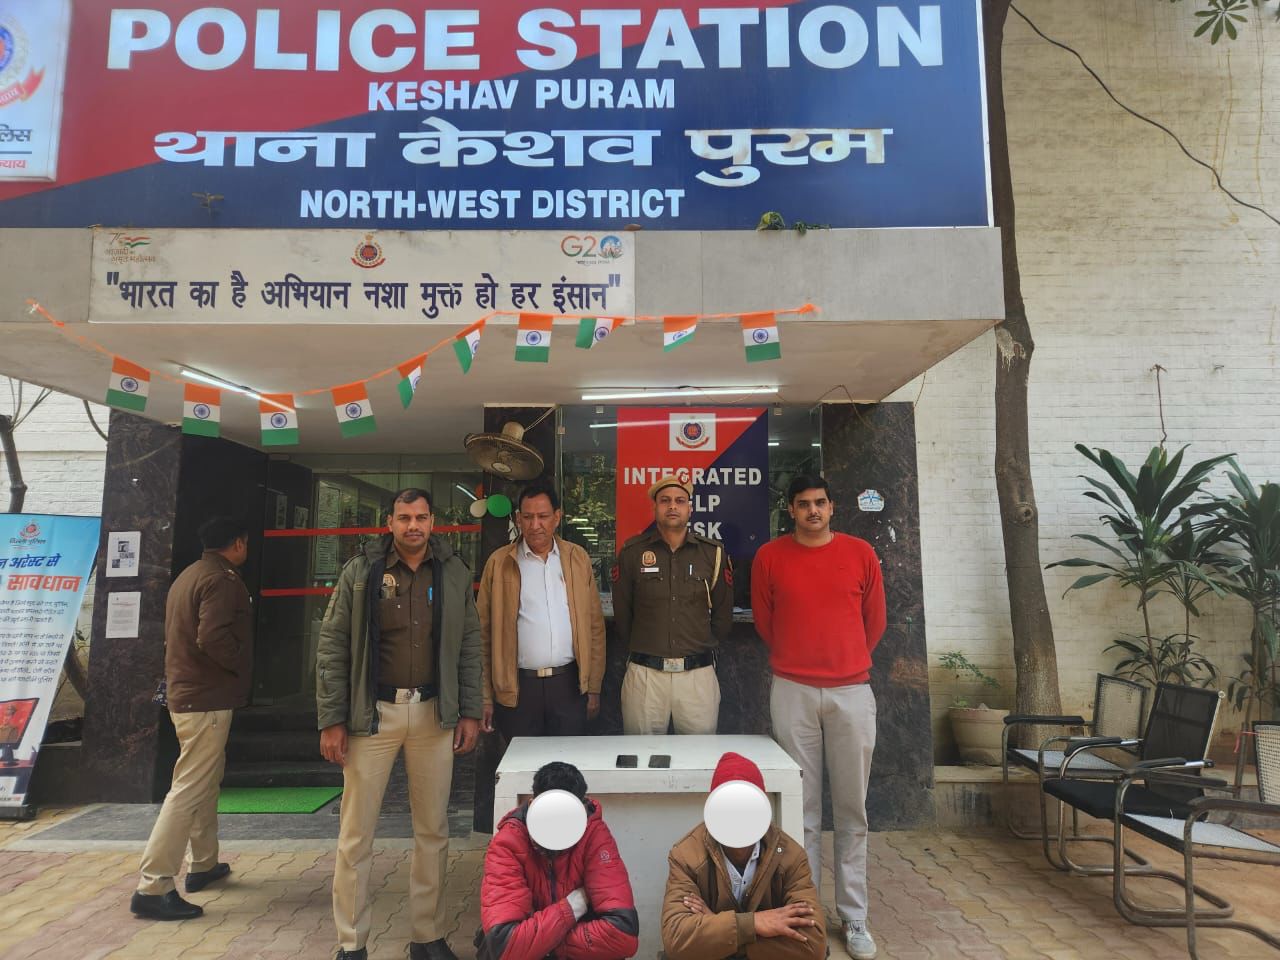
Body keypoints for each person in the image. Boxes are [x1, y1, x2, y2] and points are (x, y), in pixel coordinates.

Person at [317, 488, 483, 960]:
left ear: (433, 522)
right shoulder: (361, 571)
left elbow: (470, 645)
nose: (414, 526)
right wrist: (332, 719)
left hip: (433, 715)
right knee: (356, 834)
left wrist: (470, 710)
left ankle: (428, 937)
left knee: (433, 831)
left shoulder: (453, 572)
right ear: (389, 522)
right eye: (405, 517)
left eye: (421, 517)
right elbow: (333, 644)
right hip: (372, 717)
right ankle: (351, 942)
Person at [751, 476, 886, 960]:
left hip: (852, 691)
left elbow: (875, 621)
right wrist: (801, 659)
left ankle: (854, 915)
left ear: (832, 507)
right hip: (793, 689)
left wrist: (844, 661)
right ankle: (805, 911)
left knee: (852, 809)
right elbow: (766, 621)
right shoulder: (770, 557)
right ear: (791, 510)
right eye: (804, 504)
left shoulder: (860, 553)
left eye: (821, 503)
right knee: (800, 808)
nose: (813, 511)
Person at [130, 516, 252, 921]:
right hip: (206, 698)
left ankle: (203, 863)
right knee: (189, 787)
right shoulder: (221, 579)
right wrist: (239, 665)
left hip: (188, 695)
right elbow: (212, 636)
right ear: (238, 543)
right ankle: (154, 884)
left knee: (205, 780)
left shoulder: (189, 574)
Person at [661, 752, 825, 960]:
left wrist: (717, 930)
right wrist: (754, 924)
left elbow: (813, 943)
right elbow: (676, 939)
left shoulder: (791, 856)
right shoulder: (686, 855)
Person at [477, 478, 606, 739]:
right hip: (517, 688)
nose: (535, 525)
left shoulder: (577, 558)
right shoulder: (500, 563)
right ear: (518, 519)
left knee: (567, 759)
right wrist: (485, 697)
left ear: (557, 517)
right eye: (528, 517)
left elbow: (594, 627)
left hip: (569, 686)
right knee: (521, 760)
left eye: (543, 516)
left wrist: (593, 686)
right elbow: (482, 634)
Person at [478, 761, 639, 960]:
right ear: (532, 804)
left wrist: (539, 944)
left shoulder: (595, 835)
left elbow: (623, 935)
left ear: (583, 808)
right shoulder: (508, 843)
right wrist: (574, 905)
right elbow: (504, 944)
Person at [612, 476, 732, 735]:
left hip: (697, 676)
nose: (673, 506)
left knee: (698, 754)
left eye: (680, 501)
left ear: (690, 508)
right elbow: (623, 614)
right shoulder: (632, 553)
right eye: (665, 501)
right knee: (642, 754)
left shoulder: (712, 553)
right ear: (655, 508)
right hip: (646, 675)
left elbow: (722, 616)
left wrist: (697, 644)